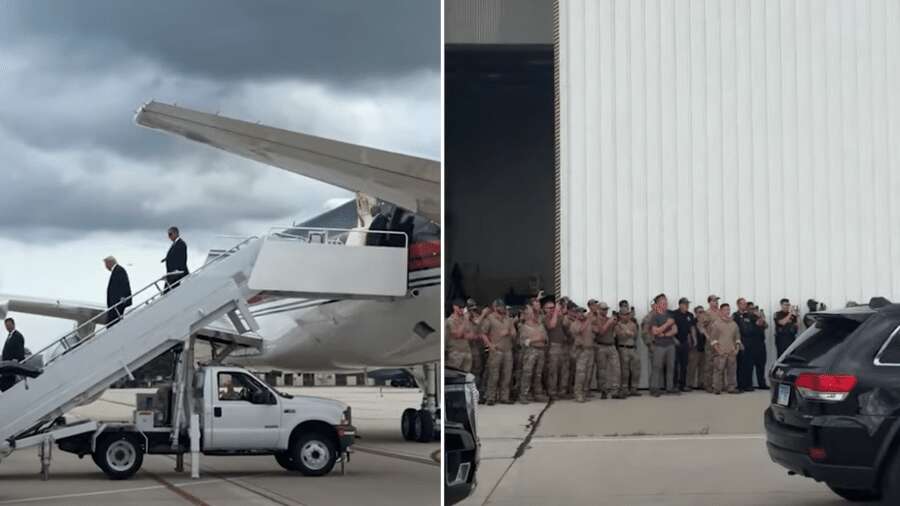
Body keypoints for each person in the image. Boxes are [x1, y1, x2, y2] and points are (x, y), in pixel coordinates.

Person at [481, 299, 516, 405]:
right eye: (500, 307)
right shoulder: (490, 319)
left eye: (503, 306)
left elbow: (514, 333)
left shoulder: (508, 319)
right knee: (494, 375)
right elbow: (483, 333)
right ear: (495, 307)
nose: (503, 308)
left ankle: (504, 397)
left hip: (507, 350)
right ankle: (490, 397)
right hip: (496, 350)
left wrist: (509, 332)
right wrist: (489, 345)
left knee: (507, 375)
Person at [648, 294, 679, 396]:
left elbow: (675, 330)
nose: (665, 304)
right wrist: (667, 324)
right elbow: (655, 332)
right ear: (658, 305)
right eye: (663, 303)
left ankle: (669, 388)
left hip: (670, 345)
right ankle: (654, 389)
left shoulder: (669, 315)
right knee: (657, 367)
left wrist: (665, 334)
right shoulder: (654, 317)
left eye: (666, 303)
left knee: (671, 366)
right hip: (659, 345)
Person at [517, 306, 548, 404]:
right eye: (531, 313)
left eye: (534, 313)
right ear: (526, 315)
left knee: (538, 374)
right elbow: (521, 342)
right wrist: (535, 339)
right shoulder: (523, 327)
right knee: (527, 374)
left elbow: (545, 338)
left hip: (541, 351)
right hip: (530, 352)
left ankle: (537, 394)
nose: (534, 315)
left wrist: (540, 339)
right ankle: (524, 395)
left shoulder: (540, 325)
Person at [592, 301, 623, 399]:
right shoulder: (595, 320)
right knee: (602, 370)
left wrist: (616, 322)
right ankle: (603, 390)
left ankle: (615, 390)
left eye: (606, 309)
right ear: (599, 310)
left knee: (616, 368)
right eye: (603, 309)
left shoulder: (609, 319)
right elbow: (600, 332)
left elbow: (617, 330)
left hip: (611, 346)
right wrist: (609, 322)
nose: (605, 311)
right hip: (601, 346)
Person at [709, 303, 742, 394]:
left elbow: (737, 337)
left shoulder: (734, 324)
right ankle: (717, 388)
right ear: (721, 311)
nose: (727, 311)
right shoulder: (716, 324)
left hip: (731, 352)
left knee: (732, 371)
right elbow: (713, 339)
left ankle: (731, 388)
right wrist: (718, 350)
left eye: (728, 309)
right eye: (725, 310)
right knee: (718, 371)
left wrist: (737, 349)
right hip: (720, 352)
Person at [543, 296, 571, 400]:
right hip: (553, 346)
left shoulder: (559, 316)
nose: (551, 309)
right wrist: (556, 313)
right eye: (549, 308)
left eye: (553, 307)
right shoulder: (545, 318)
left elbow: (567, 326)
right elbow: (551, 326)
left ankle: (562, 391)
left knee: (564, 370)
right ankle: (552, 392)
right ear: (544, 309)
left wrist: (563, 311)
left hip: (563, 346)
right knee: (553, 371)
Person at [615, 303, 642, 397]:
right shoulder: (617, 325)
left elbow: (634, 335)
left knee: (636, 369)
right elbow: (620, 336)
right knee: (625, 371)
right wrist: (627, 332)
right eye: (624, 314)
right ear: (620, 315)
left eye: (627, 314)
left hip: (632, 348)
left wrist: (627, 332)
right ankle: (625, 389)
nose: (626, 316)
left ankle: (634, 388)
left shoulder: (633, 324)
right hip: (623, 349)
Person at [569, 307, 595, 403]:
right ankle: (578, 394)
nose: (582, 314)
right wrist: (588, 321)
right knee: (581, 374)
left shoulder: (588, 323)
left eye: (583, 312)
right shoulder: (574, 324)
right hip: (581, 351)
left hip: (590, 350)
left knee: (588, 374)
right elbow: (579, 331)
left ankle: (584, 393)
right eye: (579, 312)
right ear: (576, 314)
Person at [671, 297, 697, 392]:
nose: (687, 306)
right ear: (680, 305)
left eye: (688, 304)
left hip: (685, 343)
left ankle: (683, 385)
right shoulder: (673, 314)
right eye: (685, 304)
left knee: (684, 365)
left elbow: (692, 328)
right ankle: (674, 385)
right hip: (675, 343)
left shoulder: (690, 315)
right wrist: (673, 339)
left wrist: (694, 339)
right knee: (675, 365)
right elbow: (669, 328)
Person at [697, 295, 721, 393]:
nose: (716, 302)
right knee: (709, 364)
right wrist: (707, 336)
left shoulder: (720, 312)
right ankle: (708, 385)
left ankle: (718, 385)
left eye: (717, 301)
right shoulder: (706, 313)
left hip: (721, 341)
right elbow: (700, 326)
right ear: (710, 302)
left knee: (720, 364)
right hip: (711, 341)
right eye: (714, 301)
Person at [445, 299, 474, 372]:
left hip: (466, 352)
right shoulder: (450, 320)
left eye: (463, 308)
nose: (462, 310)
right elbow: (457, 335)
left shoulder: (464, 319)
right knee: (454, 374)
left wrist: (463, 334)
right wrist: (465, 321)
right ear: (455, 307)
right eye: (460, 307)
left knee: (466, 375)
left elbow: (471, 335)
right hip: (455, 353)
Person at [104, 256, 133, 326]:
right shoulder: (116, 270)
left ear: (110, 263)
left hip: (117, 304)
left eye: (106, 264)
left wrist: (123, 297)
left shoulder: (119, 270)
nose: (105, 267)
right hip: (115, 304)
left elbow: (124, 284)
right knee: (111, 323)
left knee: (113, 324)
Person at [1, 318, 25, 392]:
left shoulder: (17, 335)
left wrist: (16, 359)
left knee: (7, 382)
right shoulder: (9, 336)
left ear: (13, 325)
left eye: (9, 325)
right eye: (6, 326)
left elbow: (20, 348)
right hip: (7, 364)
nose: (7, 327)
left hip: (13, 364)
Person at [162, 226, 189, 292]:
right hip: (171, 274)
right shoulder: (175, 244)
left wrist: (178, 271)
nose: (169, 237)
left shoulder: (181, 244)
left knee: (169, 292)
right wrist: (167, 259)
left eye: (170, 234)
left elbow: (183, 259)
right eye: (168, 235)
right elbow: (174, 255)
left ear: (176, 233)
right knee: (166, 293)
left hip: (176, 274)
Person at [686, 306, 707, 390]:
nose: (701, 313)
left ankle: (701, 383)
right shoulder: (692, 322)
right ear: (695, 313)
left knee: (703, 367)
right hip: (694, 348)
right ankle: (689, 384)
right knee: (692, 367)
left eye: (702, 311)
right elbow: (688, 334)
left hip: (704, 347)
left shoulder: (706, 322)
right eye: (699, 312)